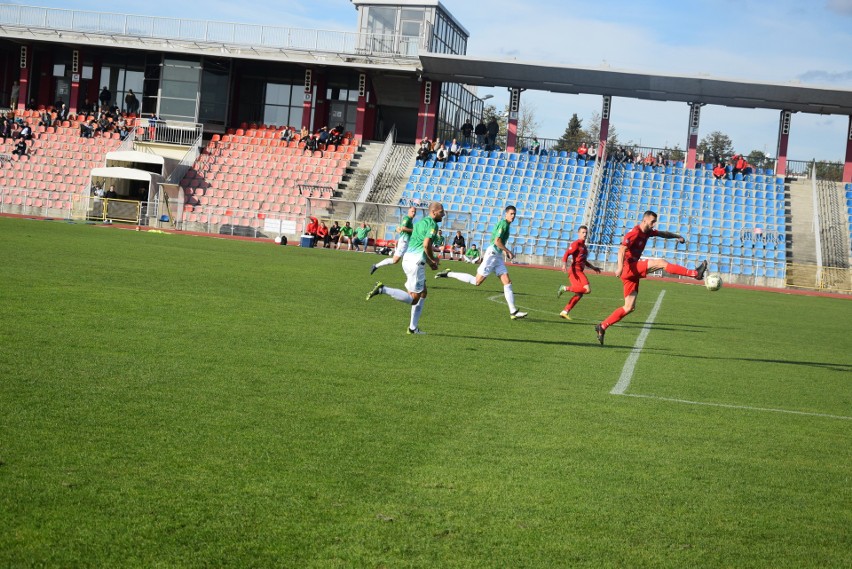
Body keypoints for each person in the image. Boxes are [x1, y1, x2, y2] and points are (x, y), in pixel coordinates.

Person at [594, 210, 708, 345]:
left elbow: (662, 234)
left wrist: (677, 236)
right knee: (661, 263)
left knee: (629, 307)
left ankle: (602, 326)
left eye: (655, 222)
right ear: (645, 220)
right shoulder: (635, 232)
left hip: (631, 274)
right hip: (629, 268)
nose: (654, 224)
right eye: (652, 221)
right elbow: (621, 249)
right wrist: (619, 267)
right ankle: (695, 274)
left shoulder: (647, 231)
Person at [435, 205, 528, 320]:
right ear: (506, 214)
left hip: (497, 256)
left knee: (507, 282)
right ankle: (449, 274)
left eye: (514, 214)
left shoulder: (507, 225)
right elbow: (497, 241)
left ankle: (513, 311)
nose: (513, 216)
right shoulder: (503, 224)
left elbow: (499, 243)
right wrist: (507, 251)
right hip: (492, 255)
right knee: (477, 281)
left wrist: (504, 252)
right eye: (511, 214)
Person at [366, 201, 445, 335]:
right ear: (434, 212)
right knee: (414, 299)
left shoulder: (420, 223)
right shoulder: (432, 224)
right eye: (441, 212)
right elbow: (426, 245)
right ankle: (382, 289)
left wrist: (430, 263)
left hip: (407, 259)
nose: (443, 215)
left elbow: (420, 245)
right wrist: (433, 260)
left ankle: (412, 328)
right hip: (416, 263)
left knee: (423, 292)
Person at [556, 225, 601, 320]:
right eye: (583, 232)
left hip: (579, 271)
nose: (584, 234)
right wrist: (564, 264)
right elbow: (567, 253)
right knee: (587, 289)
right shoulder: (576, 243)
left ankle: (565, 311)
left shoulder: (584, 247)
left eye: (586, 233)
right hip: (575, 271)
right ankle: (564, 288)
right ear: (578, 233)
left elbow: (584, 261)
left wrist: (593, 267)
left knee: (579, 294)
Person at [371, 206, 416, 275]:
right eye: (412, 211)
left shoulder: (409, 220)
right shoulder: (407, 219)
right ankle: (376, 265)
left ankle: (412, 276)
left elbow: (399, 229)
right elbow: (403, 228)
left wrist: (400, 230)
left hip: (406, 241)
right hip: (404, 242)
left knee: (408, 259)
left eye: (415, 212)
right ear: (408, 212)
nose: (414, 213)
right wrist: (413, 230)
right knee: (395, 260)